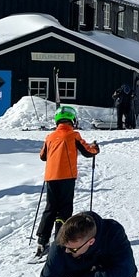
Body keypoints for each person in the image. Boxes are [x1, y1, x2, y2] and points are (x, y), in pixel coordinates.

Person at [35, 106, 100, 259]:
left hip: (51, 177)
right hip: (66, 176)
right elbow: (87, 152)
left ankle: (42, 240)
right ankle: (60, 240)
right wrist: (95, 148)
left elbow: (43, 156)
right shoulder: (73, 135)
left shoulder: (50, 137)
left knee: (50, 208)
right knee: (64, 209)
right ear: (72, 119)